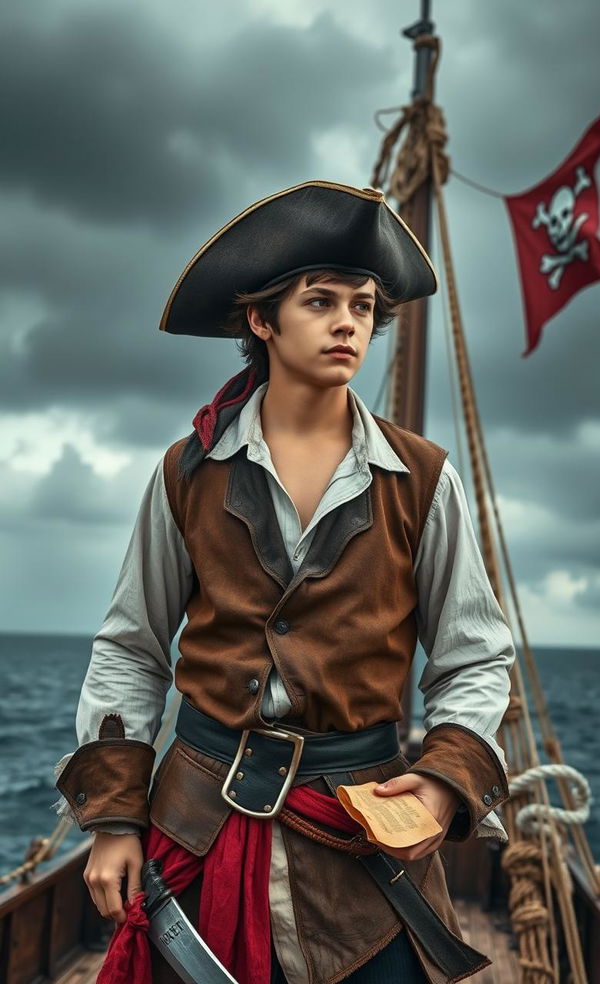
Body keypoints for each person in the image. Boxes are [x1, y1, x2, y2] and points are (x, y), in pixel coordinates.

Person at [54, 181, 515, 984]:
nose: (348, 322)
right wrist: (115, 819)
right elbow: (131, 649)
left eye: (365, 306)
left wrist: (443, 785)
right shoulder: (186, 473)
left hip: (363, 836)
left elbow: (474, 659)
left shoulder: (423, 480)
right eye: (322, 301)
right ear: (261, 320)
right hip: (196, 824)